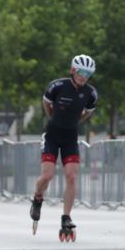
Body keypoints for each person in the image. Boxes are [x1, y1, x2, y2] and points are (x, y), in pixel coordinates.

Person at [30, 55, 98, 240]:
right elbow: (46, 103)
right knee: (47, 176)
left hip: (70, 137)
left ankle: (66, 217)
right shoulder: (57, 86)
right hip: (52, 135)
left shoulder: (91, 93)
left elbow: (87, 113)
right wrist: (53, 118)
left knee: (71, 177)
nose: (83, 77)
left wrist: (74, 122)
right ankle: (37, 197)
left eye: (88, 74)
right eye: (81, 72)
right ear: (73, 71)